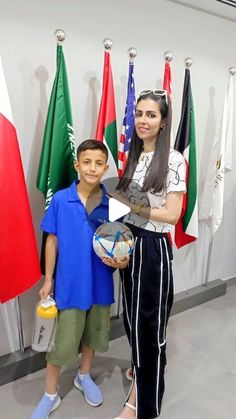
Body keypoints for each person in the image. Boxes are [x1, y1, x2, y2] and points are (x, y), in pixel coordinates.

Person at [30, 139, 128, 419]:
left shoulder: (113, 205)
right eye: (87, 162)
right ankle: (50, 395)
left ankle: (83, 376)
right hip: (70, 286)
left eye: (99, 163)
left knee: (92, 337)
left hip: (100, 284)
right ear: (77, 165)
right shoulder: (62, 199)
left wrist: (122, 259)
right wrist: (48, 279)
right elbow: (52, 240)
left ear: (106, 167)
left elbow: (119, 243)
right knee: (62, 343)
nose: (92, 168)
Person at [114, 90, 186, 419]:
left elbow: (171, 215)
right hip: (129, 243)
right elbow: (121, 207)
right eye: (139, 114)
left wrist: (134, 206)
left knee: (149, 328)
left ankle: (142, 406)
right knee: (131, 320)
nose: (143, 120)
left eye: (151, 115)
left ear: (163, 121)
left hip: (153, 249)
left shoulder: (172, 160)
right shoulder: (132, 157)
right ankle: (141, 372)